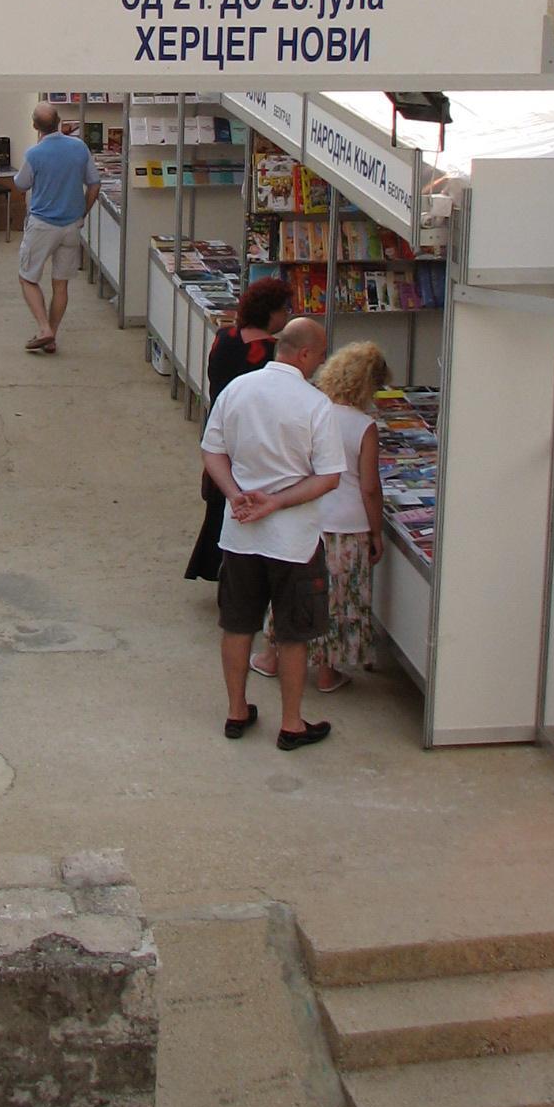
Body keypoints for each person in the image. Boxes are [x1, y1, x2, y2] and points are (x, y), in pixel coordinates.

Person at [199, 317, 345, 751]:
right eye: (320, 355)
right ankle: (292, 723)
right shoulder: (315, 404)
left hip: (240, 534)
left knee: (237, 624)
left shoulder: (238, 389)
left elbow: (212, 450)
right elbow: (329, 477)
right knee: (293, 633)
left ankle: (236, 710)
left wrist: (236, 495)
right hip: (294, 540)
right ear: (305, 354)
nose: (321, 363)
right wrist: (276, 503)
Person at [249, 341, 386, 694]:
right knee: (338, 597)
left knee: (291, 591)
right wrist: (376, 532)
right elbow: (369, 487)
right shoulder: (364, 427)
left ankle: (271, 656)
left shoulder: (312, 410)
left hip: (308, 517)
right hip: (349, 525)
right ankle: (327, 670)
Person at [183, 277, 293, 583]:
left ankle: (214, 565)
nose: (287, 315)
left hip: (221, 428)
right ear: (270, 313)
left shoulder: (225, 337)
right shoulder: (271, 353)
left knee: (220, 502)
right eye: (284, 309)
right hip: (251, 439)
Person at [13, 101, 100, 354]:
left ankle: (44, 329)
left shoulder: (34, 153)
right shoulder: (79, 147)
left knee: (27, 277)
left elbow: (21, 184)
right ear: (59, 121)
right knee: (61, 285)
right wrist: (82, 213)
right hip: (72, 225)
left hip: (42, 225)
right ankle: (52, 336)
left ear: (35, 126)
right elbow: (94, 184)